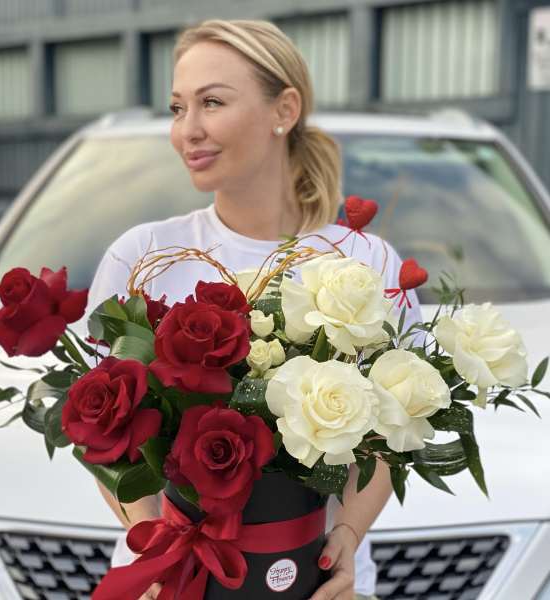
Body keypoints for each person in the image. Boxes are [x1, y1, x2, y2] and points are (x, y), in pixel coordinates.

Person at [87, 19, 423, 600]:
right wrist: (158, 546)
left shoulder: (364, 263)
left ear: (284, 110)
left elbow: (400, 427)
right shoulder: (144, 256)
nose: (188, 129)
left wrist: (346, 534)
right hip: (170, 581)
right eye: (177, 108)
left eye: (212, 102)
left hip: (319, 581)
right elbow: (101, 434)